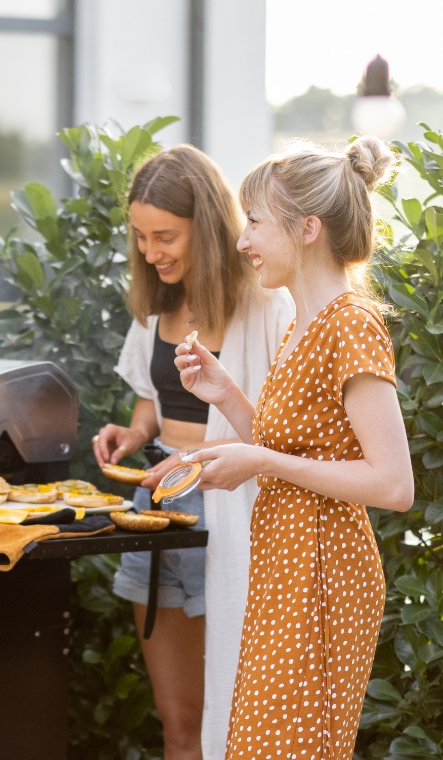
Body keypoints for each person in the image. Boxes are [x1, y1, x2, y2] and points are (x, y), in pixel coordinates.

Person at [177, 136, 414, 760]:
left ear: (307, 229)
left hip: (325, 572)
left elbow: (393, 484)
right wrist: (227, 395)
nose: (242, 239)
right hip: (287, 565)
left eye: (255, 221)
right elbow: (307, 453)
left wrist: (259, 461)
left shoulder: (350, 324)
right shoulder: (306, 324)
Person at [92, 145, 294, 760]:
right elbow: (155, 397)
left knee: (231, 716)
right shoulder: (158, 303)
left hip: (229, 508)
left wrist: (197, 458)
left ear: (207, 227)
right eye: (141, 237)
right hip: (155, 502)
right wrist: (132, 433)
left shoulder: (266, 302)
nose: (151, 253)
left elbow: (283, 436)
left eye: (165, 237)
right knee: (178, 721)